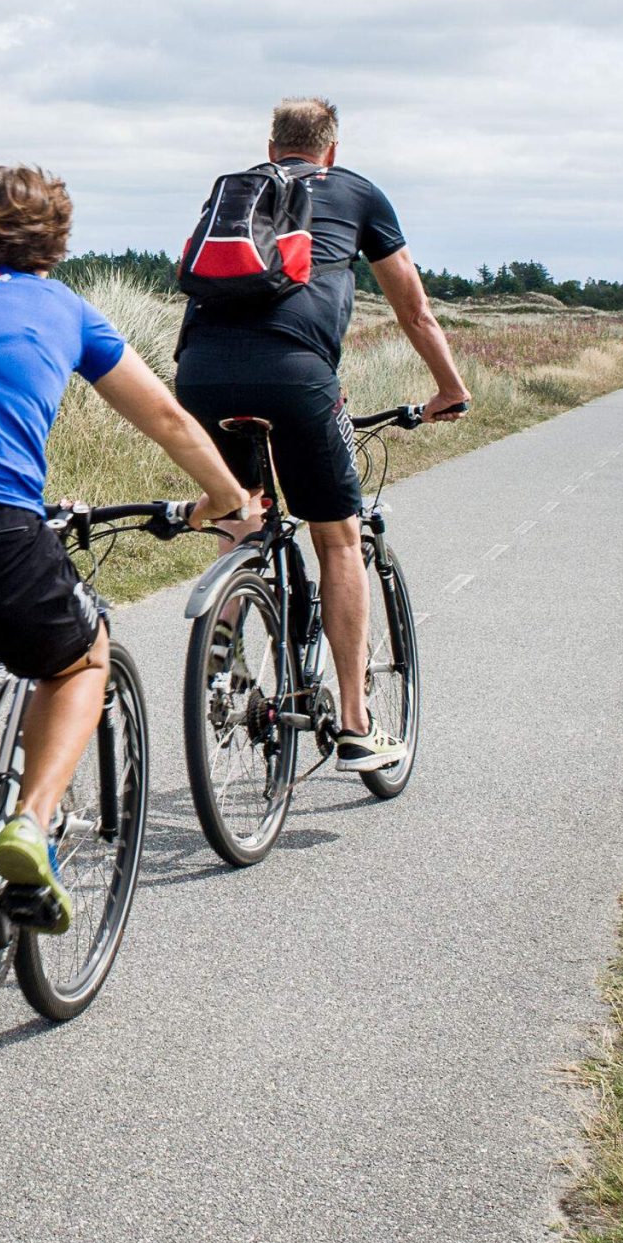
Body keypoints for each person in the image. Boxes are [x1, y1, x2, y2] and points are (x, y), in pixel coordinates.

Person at [0, 165, 258, 931]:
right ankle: (29, 821)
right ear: (55, 242)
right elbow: (164, 415)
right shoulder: (63, 307)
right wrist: (227, 500)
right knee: (82, 656)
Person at [172, 99, 468, 773]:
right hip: (297, 377)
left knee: (242, 508)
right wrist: (450, 390)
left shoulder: (235, 193)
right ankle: (359, 724)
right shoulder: (358, 192)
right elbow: (415, 310)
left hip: (201, 375)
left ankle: (227, 623)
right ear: (330, 151)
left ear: (270, 145)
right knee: (337, 535)